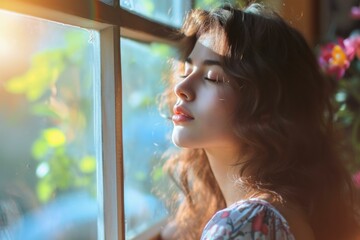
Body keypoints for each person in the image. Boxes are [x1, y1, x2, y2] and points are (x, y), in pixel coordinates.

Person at [159, 2, 360, 240]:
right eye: (186, 69)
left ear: (267, 106)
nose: (181, 88)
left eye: (212, 77)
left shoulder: (245, 224)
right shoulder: (280, 212)